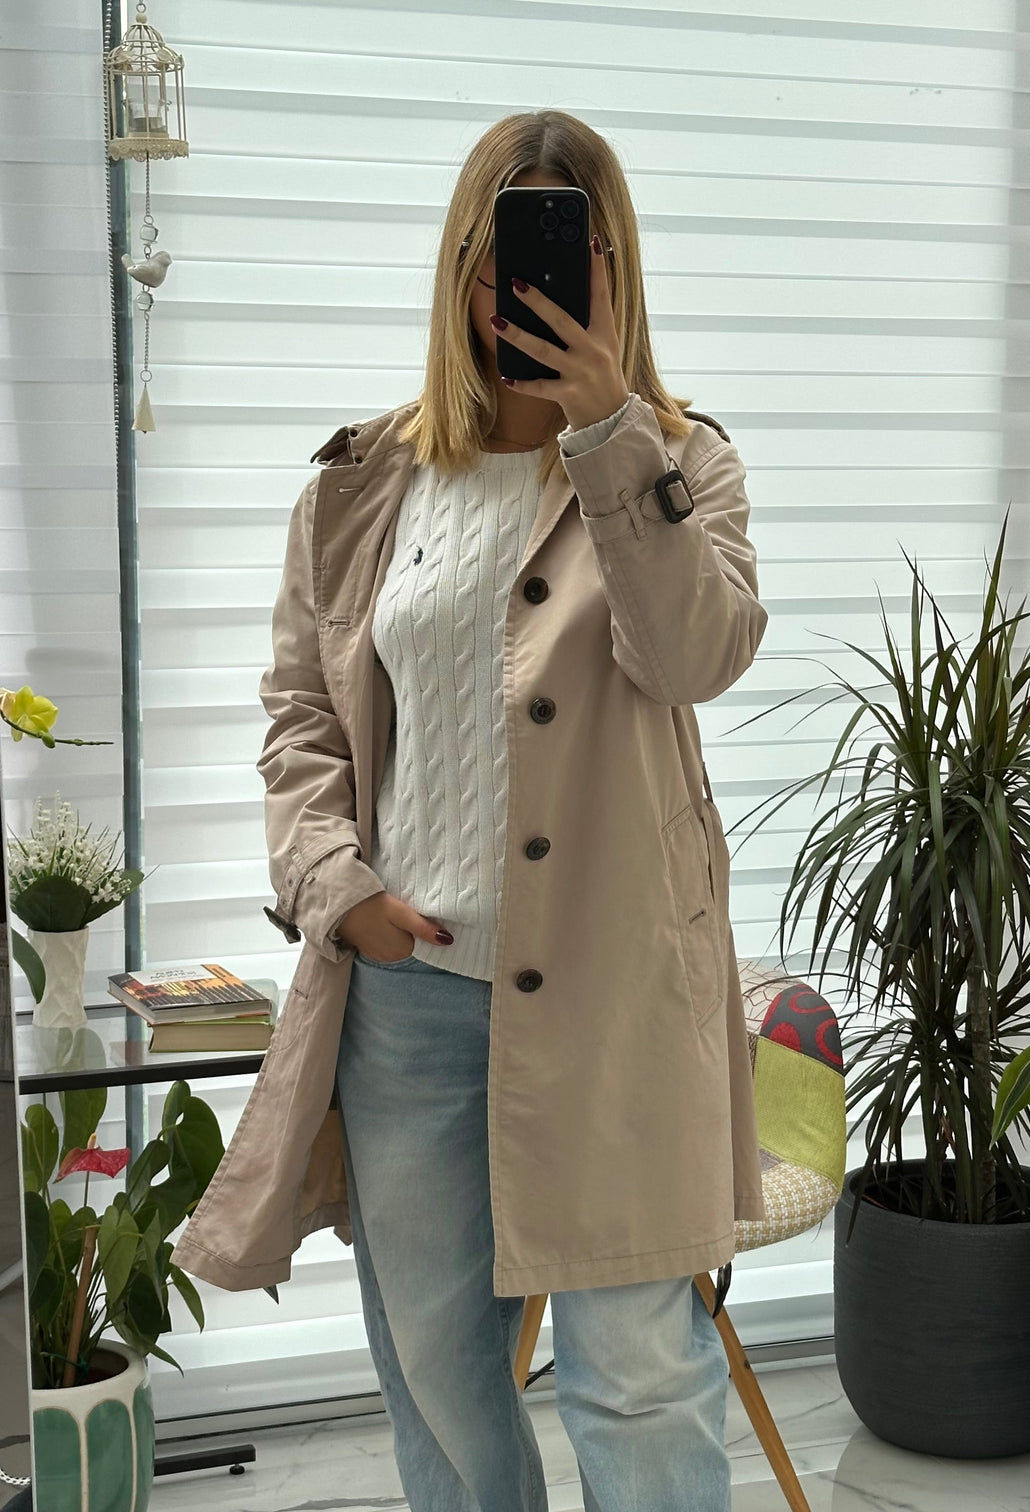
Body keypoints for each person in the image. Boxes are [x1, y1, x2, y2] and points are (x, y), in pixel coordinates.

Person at [314, 109, 765, 1512]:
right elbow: (301, 718)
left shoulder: (683, 465)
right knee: (439, 1375)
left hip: (619, 997)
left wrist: (611, 438)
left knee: (636, 1375)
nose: (538, 286)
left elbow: (694, 657)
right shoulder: (367, 480)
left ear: (618, 272)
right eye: (507, 254)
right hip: (413, 999)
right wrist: (339, 888)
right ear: (464, 269)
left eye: (577, 255)